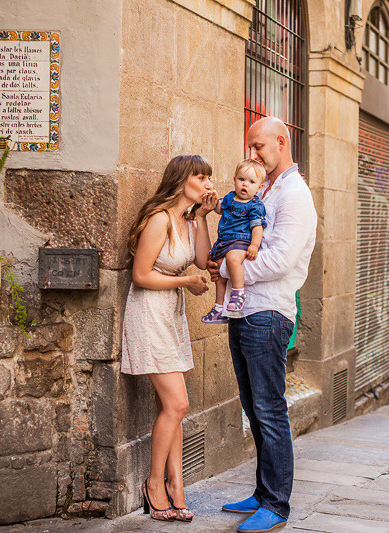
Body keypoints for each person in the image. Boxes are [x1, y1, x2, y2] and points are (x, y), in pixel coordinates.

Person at [210, 117, 317, 533]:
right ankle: (261, 492)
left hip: (268, 314)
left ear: (281, 142)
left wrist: (229, 273)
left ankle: (276, 503)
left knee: (270, 411)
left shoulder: (295, 195)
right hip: (245, 311)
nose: (252, 154)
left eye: (259, 146)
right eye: (249, 148)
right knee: (255, 409)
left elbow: (280, 260)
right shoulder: (265, 187)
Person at [121, 155, 218, 522]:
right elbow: (141, 275)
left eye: (210, 177)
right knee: (177, 404)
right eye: (201, 176)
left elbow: (204, 260)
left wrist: (206, 217)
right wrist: (184, 283)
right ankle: (154, 483)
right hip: (149, 312)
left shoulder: (189, 220)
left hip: (172, 316)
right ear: (181, 180)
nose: (208, 182)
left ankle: (176, 485)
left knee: (173, 408)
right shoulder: (160, 219)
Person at [201, 159, 267, 324]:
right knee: (219, 273)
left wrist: (254, 245)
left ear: (260, 187)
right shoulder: (230, 198)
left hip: (241, 242)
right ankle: (219, 307)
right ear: (234, 179)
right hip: (224, 242)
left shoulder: (255, 206)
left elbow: (257, 228)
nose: (245, 185)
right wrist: (213, 201)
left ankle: (238, 293)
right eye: (241, 179)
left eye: (252, 182)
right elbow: (218, 209)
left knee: (232, 259)